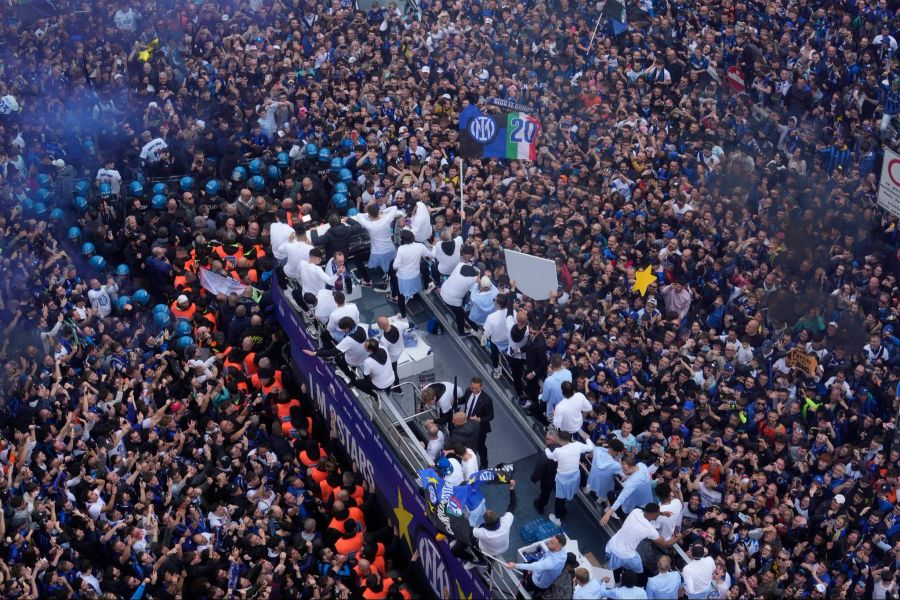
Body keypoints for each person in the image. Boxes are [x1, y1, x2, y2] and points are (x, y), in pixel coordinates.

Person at [605, 504, 686, 581]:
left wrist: (661, 513)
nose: (657, 517)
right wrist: (682, 536)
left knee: (617, 568)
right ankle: (626, 581)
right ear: (652, 514)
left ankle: (618, 579)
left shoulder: (635, 511)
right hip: (625, 555)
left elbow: (646, 509)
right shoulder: (650, 529)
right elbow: (665, 545)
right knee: (639, 570)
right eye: (657, 515)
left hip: (611, 545)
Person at [544, 431, 595, 525]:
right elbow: (590, 447)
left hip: (562, 479)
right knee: (579, 471)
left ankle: (557, 519)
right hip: (575, 476)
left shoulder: (558, 451)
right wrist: (587, 437)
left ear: (559, 439)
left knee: (559, 498)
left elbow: (550, 456)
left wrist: (546, 448)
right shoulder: (577, 445)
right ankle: (584, 487)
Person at [505, 534, 568, 598]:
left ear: (558, 547)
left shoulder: (552, 562)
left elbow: (535, 566)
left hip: (536, 582)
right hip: (545, 580)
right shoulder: (562, 552)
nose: (548, 542)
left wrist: (515, 565)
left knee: (522, 589)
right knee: (527, 563)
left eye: (552, 542)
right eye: (550, 540)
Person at [391, 229, 431, 320]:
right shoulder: (419, 246)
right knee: (424, 266)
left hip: (403, 278)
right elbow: (430, 255)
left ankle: (403, 315)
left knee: (401, 296)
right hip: (415, 275)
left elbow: (395, 266)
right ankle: (425, 287)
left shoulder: (401, 249)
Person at [601, 457, 654, 525]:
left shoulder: (631, 482)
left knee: (611, 495)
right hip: (647, 500)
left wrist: (608, 514)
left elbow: (621, 499)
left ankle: (621, 518)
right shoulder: (642, 465)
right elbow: (639, 476)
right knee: (611, 494)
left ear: (632, 467)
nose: (623, 472)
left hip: (635, 502)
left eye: (625, 470)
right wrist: (628, 476)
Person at [439, 246, 480, 335]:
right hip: (452, 299)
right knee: (461, 315)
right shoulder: (474, 278)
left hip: (443, 290)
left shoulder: (460, 264)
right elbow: (472, 294)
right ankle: (462, 332)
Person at [472, 479, 517, 557]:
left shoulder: (482, 532)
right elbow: (513, 504)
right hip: (504, 548)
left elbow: (466, 529)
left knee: (471, 539)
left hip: (487, 550)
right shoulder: (506, 522)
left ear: (485, 522)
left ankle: (479, 559)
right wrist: (511, 488)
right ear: (498, 517)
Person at [457, 377, 494, 469]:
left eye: (476, 388)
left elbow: (491, 416)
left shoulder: (487, 400)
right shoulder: (468, 391)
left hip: (479, 428)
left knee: (480, 446)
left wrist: (479, 419)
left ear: (481, 387)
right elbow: (463, 400)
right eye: (472, 387)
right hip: (467, 424)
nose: (474, 390)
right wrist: (456, 401)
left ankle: (484, 463)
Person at [584, 438, 625, 504]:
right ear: (618, 452)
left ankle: (588, 488)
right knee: (612, 483)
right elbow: (623, 476)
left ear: (609, 446)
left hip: (591, 481)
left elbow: (597, 451)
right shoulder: (616, 465)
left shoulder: (597, 450)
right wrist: (619, 459)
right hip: (603, 488)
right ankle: (603, 498)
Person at [376, 316, 404, 391]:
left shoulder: (384, 340)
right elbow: (409, 324)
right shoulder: (398, 325)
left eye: (378, 324)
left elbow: (384, 353)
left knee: (393, 372)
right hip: (400, 350)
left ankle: (397, 389)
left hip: (392, 358)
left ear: (381, 326)